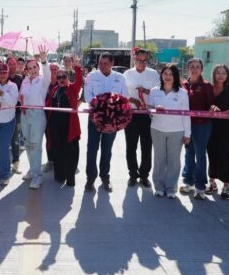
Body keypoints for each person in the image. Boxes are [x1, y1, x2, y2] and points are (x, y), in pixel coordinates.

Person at [84, 52, 128, 192]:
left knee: (107, 150)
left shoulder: (120, 78)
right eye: (100, 63)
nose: (102, 66)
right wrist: (101, 107)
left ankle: (105, 178)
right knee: (92, 149)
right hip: (95, 118)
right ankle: (90, 179)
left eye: (106, 63)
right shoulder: (91, 76)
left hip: (112, 120)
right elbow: (87, 95)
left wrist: (111, 108)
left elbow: (124, 97)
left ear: (112, 63)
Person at [147, 65, 191, 199]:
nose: (167, 76)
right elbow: (149, 110)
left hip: (176, 131)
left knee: (173, 160)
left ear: (175, 76)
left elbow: (186, 114)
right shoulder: (154, 91)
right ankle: (159, 187)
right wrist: (155, 109)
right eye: (165, 73)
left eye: (171, 74)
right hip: (157, 129)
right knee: (159, 159)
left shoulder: (182, 93)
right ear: (161, 75)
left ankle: (171, 188)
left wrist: (187, 134)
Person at [123, 48, 160, 188]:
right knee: (131, 146)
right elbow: (122, 93)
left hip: (148, 115)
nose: (142, 63)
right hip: (131, 114)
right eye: (139, 60)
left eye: (145, 61)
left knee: (147, 147)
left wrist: (145, 91)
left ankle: (144, 175)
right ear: (135, 59)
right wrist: (133, 100)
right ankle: (133, 174)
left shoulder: (153, 74)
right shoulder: (127, 74)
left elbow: (158, 93)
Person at [180, 59, 215, 200]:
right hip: (186, 125)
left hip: (202, 126)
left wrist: (213, 108)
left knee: (200, 155)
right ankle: (188, 182)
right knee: (189, 153)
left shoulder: (206, 86)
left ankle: (200, 186)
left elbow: (211, 105)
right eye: (192, 67)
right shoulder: (183, 85)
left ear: (201, 69)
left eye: (197, 67)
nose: (194, 69)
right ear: (187, 69)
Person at [46, 61, 84, 186]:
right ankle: (60, 175)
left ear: (68, 77)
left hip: (70, 127)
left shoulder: (72, 88)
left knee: (71, 153)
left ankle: (70, 177)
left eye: (63, 77)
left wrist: (77, 67)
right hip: (55, 127)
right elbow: (48, 104)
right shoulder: (54, 89)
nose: (61, 79)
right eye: (59, 77)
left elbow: (79, 81)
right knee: (58, 151)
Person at [19, 48, 51, 189]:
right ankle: (32, 169)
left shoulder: (43, 80)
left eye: (34, 67)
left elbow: (48, 73)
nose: (32, 70)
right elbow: (21, 96)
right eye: (30, 68)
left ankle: (37, 176)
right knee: (27, 144)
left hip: (38, 115)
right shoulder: (25, 81)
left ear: (38, 67)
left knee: (35, 145)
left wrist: (44, 61)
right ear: (26, 70)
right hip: (25, 114)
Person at [207, 64, 229, 200]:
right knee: (212, 155)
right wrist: (211, 108)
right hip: (210, 128)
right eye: (218, 73)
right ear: (213, 75)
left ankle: (226, 186)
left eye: (223, 73)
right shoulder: (209, 89)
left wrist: (224, 113)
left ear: (227, 76)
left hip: (227, 130)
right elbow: (204, 105)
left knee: (225, 156)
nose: (220, 75)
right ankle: (212, 182)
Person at [7, 57, 25, 173]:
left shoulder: (20, 78)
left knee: (15, 138)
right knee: (5, 140)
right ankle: (3, 166)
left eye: (14, 64)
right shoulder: (2, 77)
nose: (12, 66)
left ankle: (16, 163)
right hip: (4, 113)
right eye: (10, 64)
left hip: (17, 112)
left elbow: (23, 94)